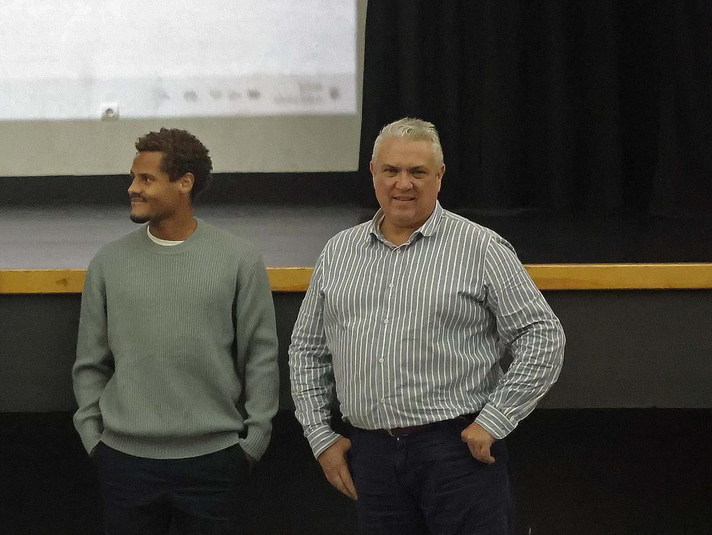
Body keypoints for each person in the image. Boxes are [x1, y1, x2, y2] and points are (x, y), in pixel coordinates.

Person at [288, 117, 566, 535]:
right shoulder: (338, 252)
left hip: (456, 453)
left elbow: (543, 336)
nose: (404, 184)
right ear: (373, 173)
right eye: (392, 171)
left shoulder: (480, 247)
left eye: (418, 172)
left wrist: (495, 420)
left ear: (439, 176)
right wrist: (319, 436)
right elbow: (308, 350)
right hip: (372, 456)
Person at [72, 127, 279, 535]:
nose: (133, 188)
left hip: (215, 463)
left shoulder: (239, 259)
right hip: (124, 463)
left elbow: (261, 356)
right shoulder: (109, 261)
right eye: (133, 177)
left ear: (185, 183)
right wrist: (94, 438)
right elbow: (90, 363)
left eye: (146, 179)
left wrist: (253, 442)